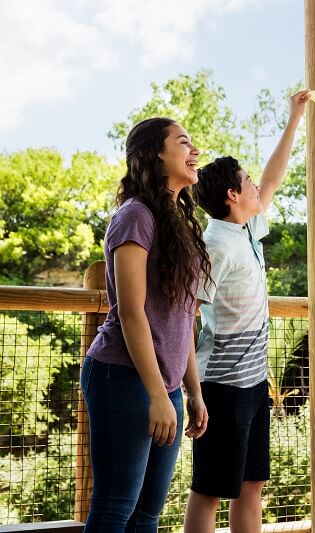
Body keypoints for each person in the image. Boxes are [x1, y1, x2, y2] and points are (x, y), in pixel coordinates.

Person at [184, 89, 310, 533]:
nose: (258, 186)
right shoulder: (216, 244)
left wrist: (295, 118)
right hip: (220, 387)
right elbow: (186, 316)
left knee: (252, 483)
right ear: (234, 194)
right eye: (248, 182)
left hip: (254, 383)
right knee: (210, 489)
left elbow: (273, 179)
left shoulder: (247, 227)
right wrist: (194, 392)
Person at [80, 117, 211, 532]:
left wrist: (192, 390)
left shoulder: (178, 223)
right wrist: (157, 393)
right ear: (156, 153)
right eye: (184, 143)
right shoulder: (135, 216)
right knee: (116, 507)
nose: (195, 152)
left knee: (147, 515)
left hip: (166, 387)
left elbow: (183, 316)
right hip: (123, 377)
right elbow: (132, 311)